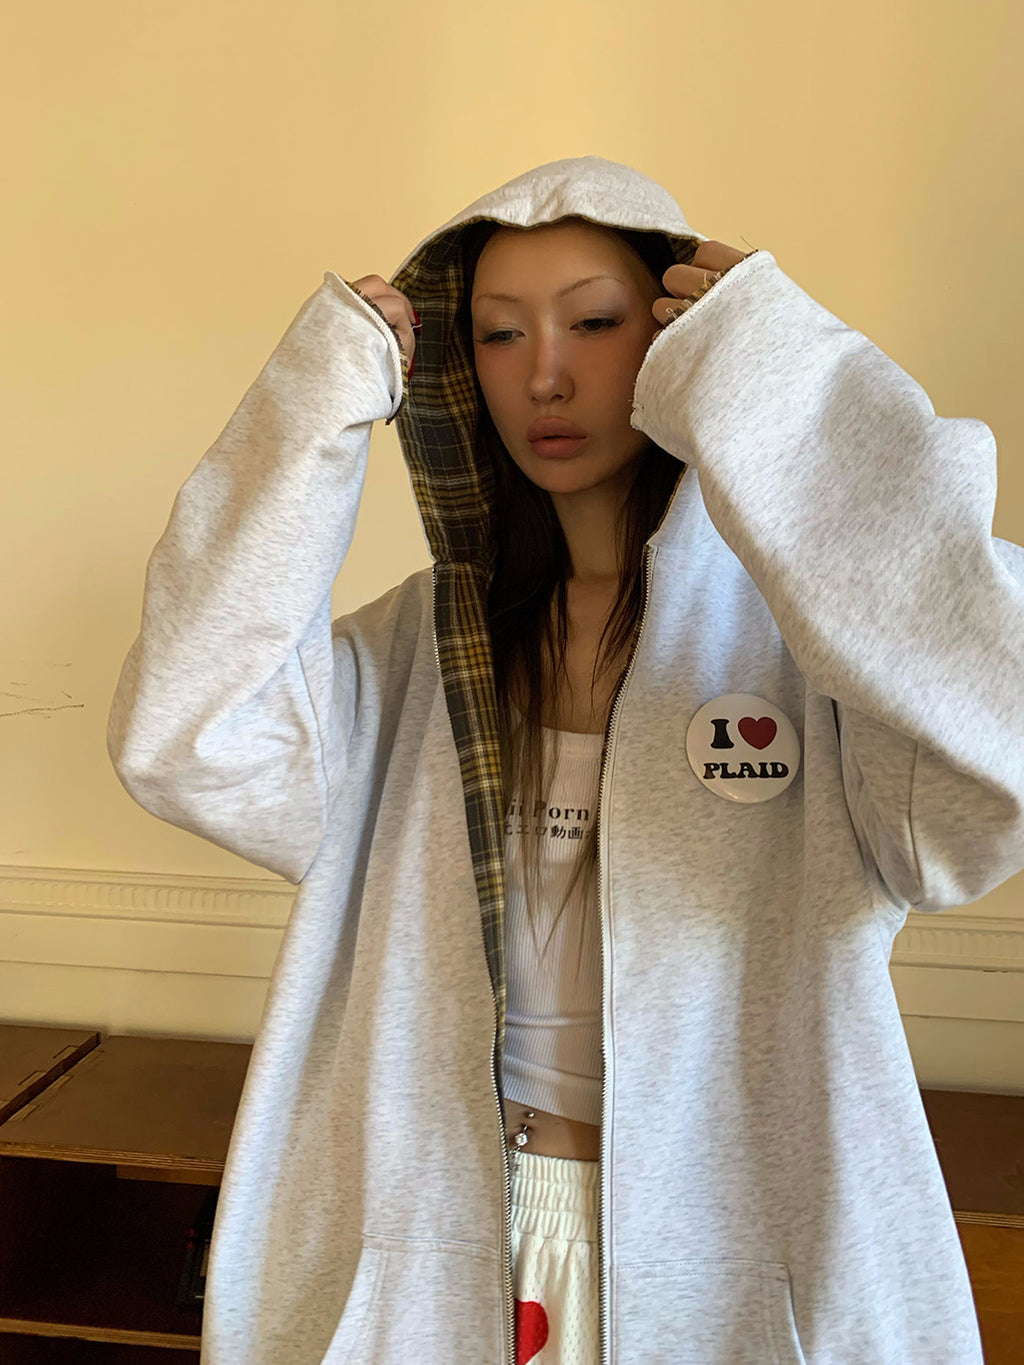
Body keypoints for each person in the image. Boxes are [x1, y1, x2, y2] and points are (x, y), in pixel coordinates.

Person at [106, 155, 1024, 1365]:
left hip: (736, 1261)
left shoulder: (808, 651)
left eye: (593, 322)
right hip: (439, 1250)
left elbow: (992, 743)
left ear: (677, 334)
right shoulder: (416, 652)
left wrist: (787, 381)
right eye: (497, 334)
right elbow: (185, 741)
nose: (544, 373)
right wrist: (305, 419)